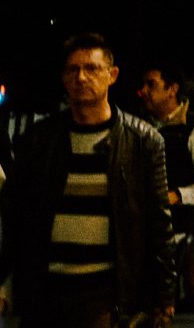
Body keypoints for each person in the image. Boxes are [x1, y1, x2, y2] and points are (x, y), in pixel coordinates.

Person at [0, 33, 174, 327]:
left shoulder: (143, 141)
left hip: (106, 294)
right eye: (72, 69)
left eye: (92, 69)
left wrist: (164, 295)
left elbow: (158, 222)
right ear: (63, 78)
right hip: (47, 291)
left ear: (112, 75)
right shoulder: (40, 140)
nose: (81, 77)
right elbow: (17, 216)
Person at [136, 62, 194, 312]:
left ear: (172, 89)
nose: (144, 91)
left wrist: (177, 196)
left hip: (174, 233)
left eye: (152, 85)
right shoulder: (139, 127)